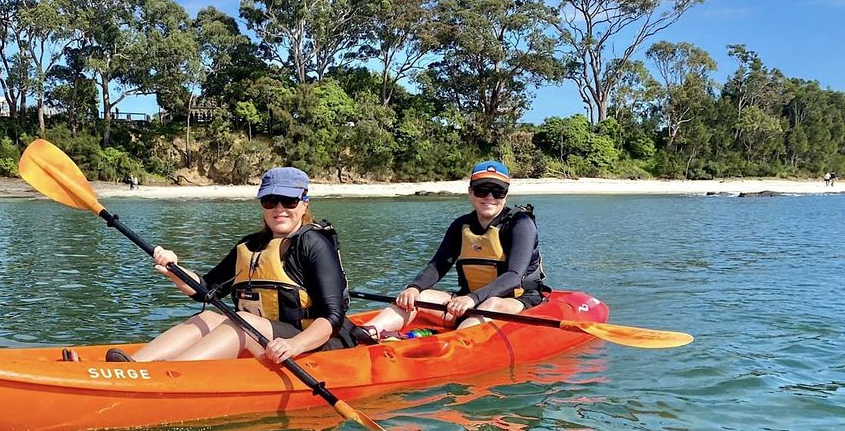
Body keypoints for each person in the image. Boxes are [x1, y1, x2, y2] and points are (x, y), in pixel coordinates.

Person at [104, 166, 363, 363]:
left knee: (240, 322)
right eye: (270, 202)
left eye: (289, 201)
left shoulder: (313, 243)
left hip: (314, 344)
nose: (279, 209)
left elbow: (333, 317)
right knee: (209, 316)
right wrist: (173, 268)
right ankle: (136, 367)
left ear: (304, 203)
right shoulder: (251, 245)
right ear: (262, 205)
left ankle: (170, 378)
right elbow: (205, 289)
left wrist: (294, 345)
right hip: (268, 337)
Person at [362, 159, 547, 337]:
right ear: (470, 192)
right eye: (482, 190)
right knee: (421, 296)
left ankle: (453, 346)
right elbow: (438, 265)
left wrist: (472, 299)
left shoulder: (520, 224)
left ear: (505, 195)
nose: (489, 197)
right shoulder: (461, 225)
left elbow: (514, 276)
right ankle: (366, 333)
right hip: (469, 300)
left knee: (490, 304)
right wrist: (413, 288)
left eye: (497, 192)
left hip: (515, 300)